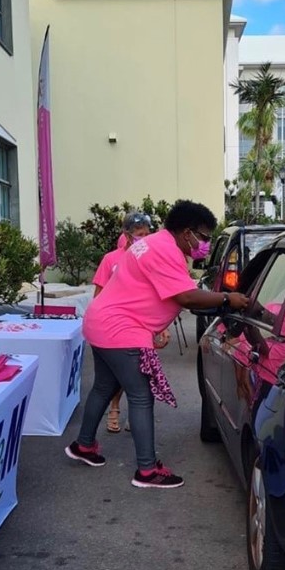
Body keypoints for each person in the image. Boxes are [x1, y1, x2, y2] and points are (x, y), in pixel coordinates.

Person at [65, 199, 249, 489]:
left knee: (103, 386)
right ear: (186, 231)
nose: (204, 244)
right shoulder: (165, 250)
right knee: (140, 396)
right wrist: (228, 299)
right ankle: (147, 471)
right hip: (121, 330)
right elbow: (186, 297)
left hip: (101, 323)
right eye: (202, 237)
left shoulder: (153, 243)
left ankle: (83, 445)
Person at [92, 212, 169, 433]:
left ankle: (133, 418)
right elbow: (98, 295)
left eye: (147, 233)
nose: (144, 238)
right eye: (139, 234)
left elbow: (158, 295)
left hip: (140, 328)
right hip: (114, 328)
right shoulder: (110, 259)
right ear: (127, 235)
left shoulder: (151, 258)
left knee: (138, 377)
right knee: (116, 378)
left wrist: (162, 326)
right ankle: (114, 408)